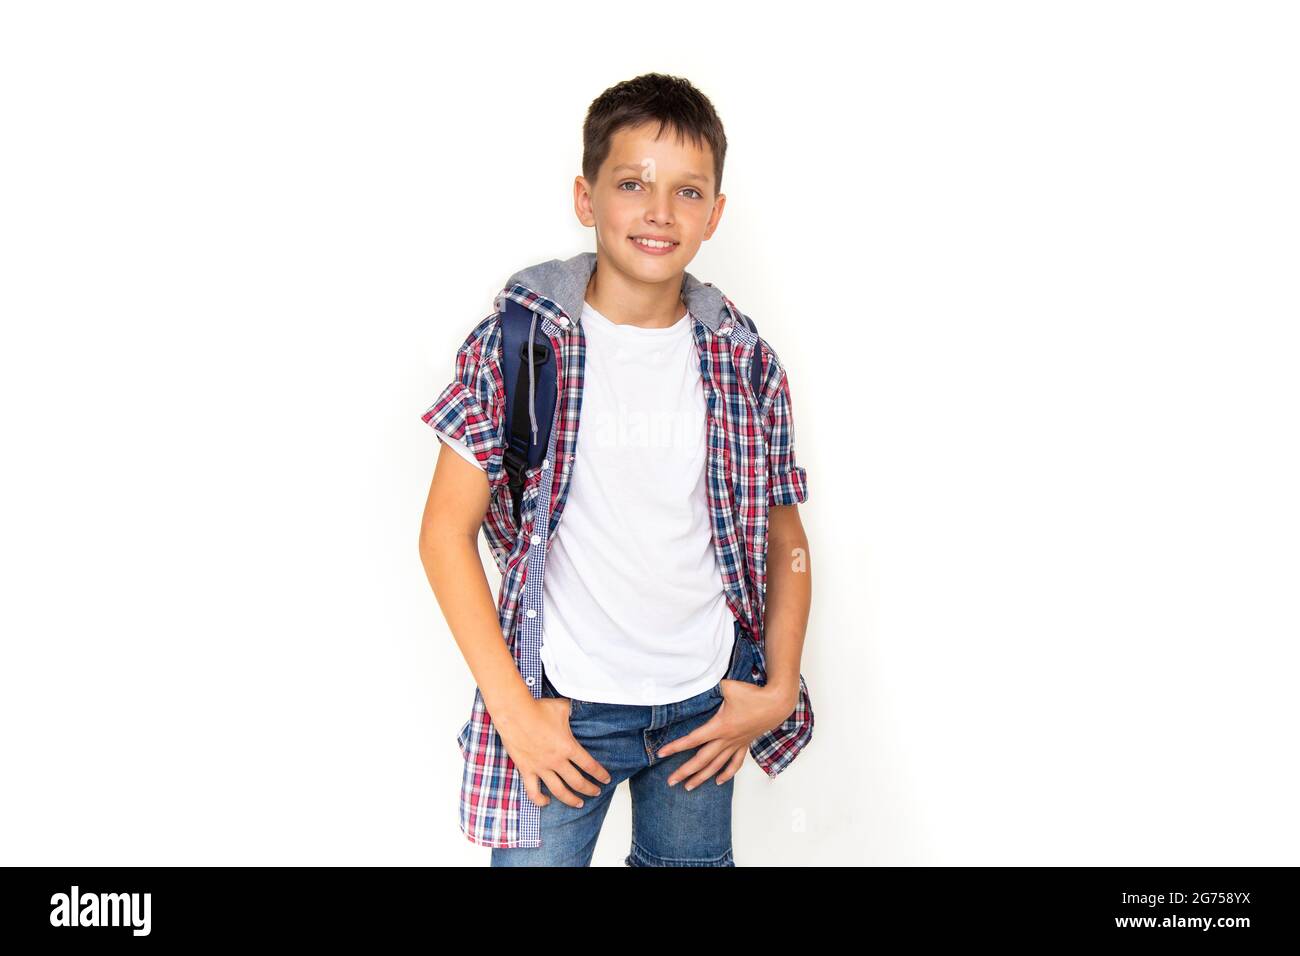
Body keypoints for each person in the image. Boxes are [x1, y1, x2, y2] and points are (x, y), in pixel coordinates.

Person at [417, 72, 813, 866]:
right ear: (585, 197)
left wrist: (775, 691)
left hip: (703, 706)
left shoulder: (743, 360)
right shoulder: (520, 340)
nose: (659, 212)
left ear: (715, 214)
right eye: (631, 183)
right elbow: (442, 536)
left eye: (688, 191)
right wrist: (515, 712)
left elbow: (786, 537)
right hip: (563, 709)